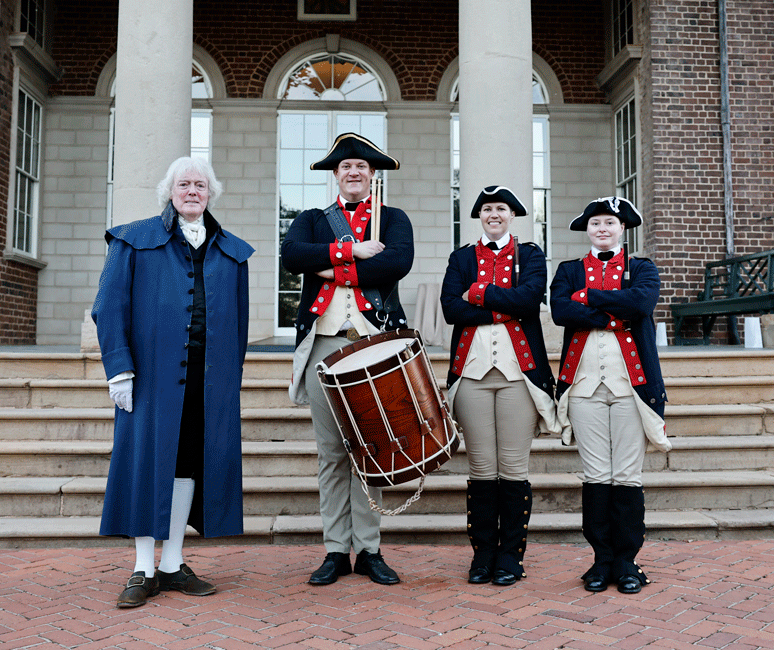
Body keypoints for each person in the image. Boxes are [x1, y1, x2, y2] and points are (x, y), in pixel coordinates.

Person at [91, 156, 254, 608]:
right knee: (147, 465)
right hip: (149, 379)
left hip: (208, 381)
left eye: (200, 185)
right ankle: (143, 568)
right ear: (169, 191)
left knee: (187, 465)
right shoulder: (132, 239)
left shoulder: (232, 251)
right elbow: (108, 307)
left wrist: (230, 382)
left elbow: (239, 325)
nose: (192, 191)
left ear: (210, 193)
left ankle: (172, 563)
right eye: (184, 184)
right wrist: (119, 369)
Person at [280, 133, 414, 586]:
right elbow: (292, 255)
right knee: (332, 452)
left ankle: (370, 549)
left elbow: (396, 263)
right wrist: (352, 250)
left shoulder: (392, 218)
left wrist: (326, 269)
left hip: (375, 344)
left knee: (372, 447)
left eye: (360, 166)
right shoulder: (312, 219)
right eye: (345, 167)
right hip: (324, 342)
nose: (353, 172)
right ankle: (336, 549)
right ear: (336, 176)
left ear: (372, 175)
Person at [549, 196, 671, 594]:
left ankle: (627, 561)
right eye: (596, 223)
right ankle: (601, 560)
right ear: (588, 229)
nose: (602, 229)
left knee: (627, 474)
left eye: (610, 223)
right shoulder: (569, 270)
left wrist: (588, 297)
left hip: (632, 387)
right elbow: (561, 311)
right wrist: (616, 311)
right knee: (597, 474)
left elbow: (642, 302)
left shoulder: (642, 268)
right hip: (583, 386)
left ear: (623, 228)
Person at [440, 186, 558, 586]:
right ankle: (482, 555)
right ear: (480, 215)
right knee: (481, 469)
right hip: (471, 376)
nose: (494, 214)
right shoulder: (461, 258)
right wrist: (503, 305)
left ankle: (510, 557)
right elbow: (450, 308)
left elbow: (529, 300)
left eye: (501, 208)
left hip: (518, 377)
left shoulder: (531, 255)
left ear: (512, 215)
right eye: (488, 208)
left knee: (513, 468)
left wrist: (478, 293)